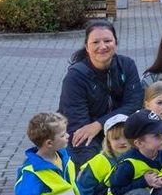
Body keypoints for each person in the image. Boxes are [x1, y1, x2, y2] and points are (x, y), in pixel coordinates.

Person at [58, 19, 143, 166]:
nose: (102, 46)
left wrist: (99, 124)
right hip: (86, 134)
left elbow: (134, 104)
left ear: (115, 43)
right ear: (87, 46)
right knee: (93, 166)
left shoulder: (127, 65)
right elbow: (79, 125)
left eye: (107, 40)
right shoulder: (76, 76)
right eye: (95, 42)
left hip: (119, 131)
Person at [15, 112, 106, 195]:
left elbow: (74, 187)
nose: (68, 136)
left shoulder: (64, 157)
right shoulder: (32, 172)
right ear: (49, 143)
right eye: (63, 135)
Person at [77, 114, 130, 195]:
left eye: (126, 137)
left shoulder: (136, 156)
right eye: (116, 138)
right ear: (108, 141)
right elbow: (84, 189)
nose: (122, 142)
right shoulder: (100, 161)